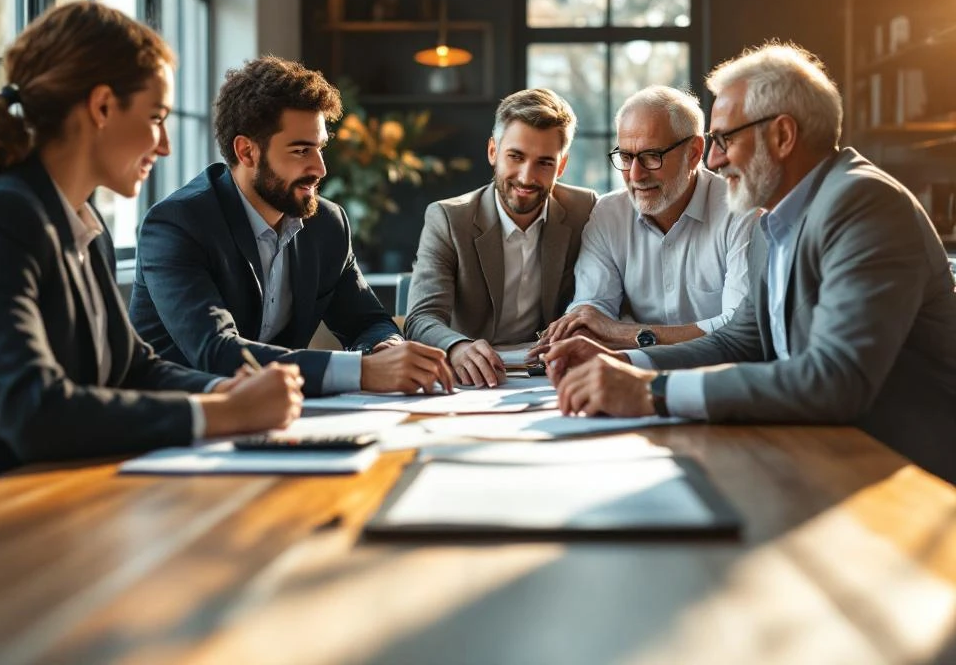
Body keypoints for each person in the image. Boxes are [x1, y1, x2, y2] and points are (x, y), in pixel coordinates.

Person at [0, 1, 303, 498]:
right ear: (102, 106)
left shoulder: (85, 225)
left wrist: (225, 391)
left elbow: (133, 369)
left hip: (58, 502)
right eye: (156, 117)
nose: (165, 144)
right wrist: (222, 413)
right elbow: (30, 410)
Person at [544, 42, 956, 483]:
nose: (716, 160)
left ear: (782, 136)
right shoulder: (773, 217)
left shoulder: (863, 204)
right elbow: (740, 341)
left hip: (906, 471)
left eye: (725, 139)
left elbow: (836, 381)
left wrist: (651, 390)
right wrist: (623, 363)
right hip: (824, 453)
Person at [129, 56, 452, 396]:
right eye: (301, 150)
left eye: (320, 148)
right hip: (180, 425)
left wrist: (385, 348)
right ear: (247, 152)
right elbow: (217, 352)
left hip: (276, 420)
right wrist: (363, 371)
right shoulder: (177, 224)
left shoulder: (326, 225)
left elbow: (367, 321)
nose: (320, 168)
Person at [536, 86, 756, 352]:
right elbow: (592, 310)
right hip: (630, 373)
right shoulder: (608, 213)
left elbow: (740, 330)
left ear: (694, 152)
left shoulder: (741, 210)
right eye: (627, 157)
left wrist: (621, 333)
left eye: (652, 156)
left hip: (719, 377)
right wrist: (582, 323)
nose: (636, 175)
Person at [404, 88, 597, 387]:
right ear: (493, 151)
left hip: (547, 377)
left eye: (544, 163)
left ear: (561, 166)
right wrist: (457, 347)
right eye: (516, 156)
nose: (526, 177)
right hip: (473, 379)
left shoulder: (584, 210)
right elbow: (421, 318)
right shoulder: (449, 219)